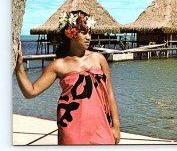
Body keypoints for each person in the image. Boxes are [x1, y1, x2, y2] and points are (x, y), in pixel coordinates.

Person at [15, 10, 120, 145]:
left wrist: (116, 126)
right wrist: (19, 67)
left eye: (89, 32)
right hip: (72, 130)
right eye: (84, 33)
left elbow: (110, 94)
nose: (88, 37)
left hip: (101, 126)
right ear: (71, 34)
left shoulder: (99, 59)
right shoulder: (59, 65)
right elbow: (31, 91)